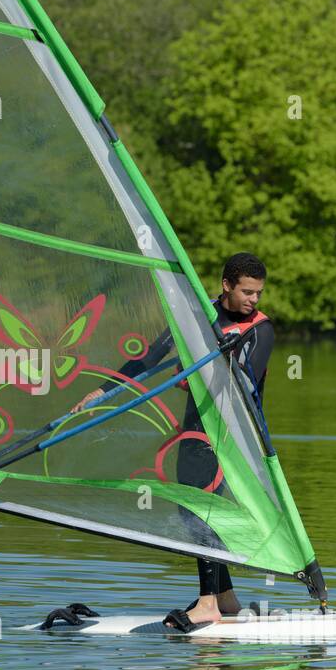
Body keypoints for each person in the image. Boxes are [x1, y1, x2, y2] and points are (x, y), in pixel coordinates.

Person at [73, 252, 275, 631]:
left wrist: (224, 358)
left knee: (203, 512)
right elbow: (149, 359)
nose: (254, 300)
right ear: (226, 285)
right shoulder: (196, 319)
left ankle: (208, 603)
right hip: (194, 428)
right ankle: (226, 598)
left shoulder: (260, 330)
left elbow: (246, 383)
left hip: (228, 435)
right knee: (190, 510)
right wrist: (103, 391)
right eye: (247, 291)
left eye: (259, 293)